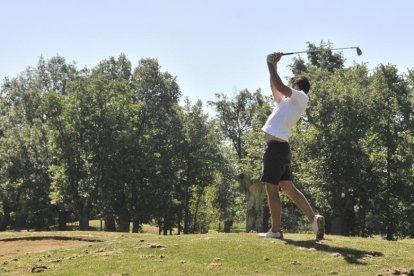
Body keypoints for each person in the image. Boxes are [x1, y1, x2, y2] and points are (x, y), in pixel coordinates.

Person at [258, 52, 325, 240]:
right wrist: (272, 65)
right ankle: (314, 220)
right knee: (289, 188)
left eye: (291, 84)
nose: (289, 86)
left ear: (296, 86)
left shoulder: (301, 97)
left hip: (276, 149)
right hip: (281, 149)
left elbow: (279, 85)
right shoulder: (286, 102)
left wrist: (270, 63)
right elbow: (274, 86)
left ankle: (276, 230)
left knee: (271, 190)